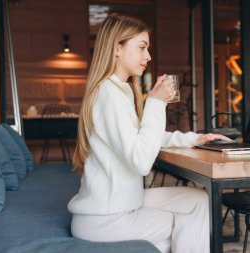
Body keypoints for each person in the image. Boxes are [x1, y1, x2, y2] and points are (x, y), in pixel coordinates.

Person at [68, 14, 231, 253]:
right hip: (105, 219)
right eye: (142, 47)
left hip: (121, 203)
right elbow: (141, 161)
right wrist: (155, 104)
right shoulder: (108, 94)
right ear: (117, 48)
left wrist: (196, 138)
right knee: (188, 226)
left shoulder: (119, 90)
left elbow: (144, 136)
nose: (149, 56)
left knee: (198, 201)